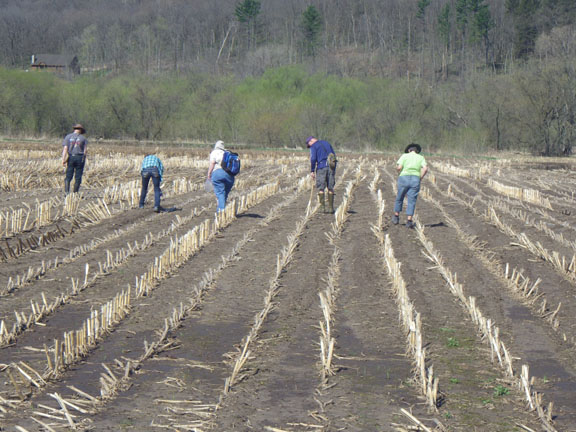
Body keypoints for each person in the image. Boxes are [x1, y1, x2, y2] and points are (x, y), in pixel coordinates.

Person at [392, 143, 428, 228]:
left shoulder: (404, 156)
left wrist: (398, 172)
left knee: (400, 197)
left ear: (409, 150)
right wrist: (420, 177)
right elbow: (425, 169)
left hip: (404, 178)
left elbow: (399, 167)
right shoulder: (421, 157)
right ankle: (409, 221)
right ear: (417, 151)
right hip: (415, 179)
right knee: (412, 200)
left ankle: (396, 217)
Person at [306, 136, 337, 213]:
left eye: (309, 145)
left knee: (321, 188)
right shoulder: (327, 143)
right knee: (330, 188)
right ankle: (331, 209)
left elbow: (313, 159)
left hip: (321, 167)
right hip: (331, 167)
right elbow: (334, 156)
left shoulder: (314, 146)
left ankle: (322, 208)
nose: (310, 146)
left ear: (310, 141)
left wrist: (312, 170)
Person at [207, 140, 235, 212]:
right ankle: (221, 209)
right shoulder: (227, 153)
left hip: (218, 174)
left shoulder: (214, 152)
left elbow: (212, 163)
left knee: (220, 193)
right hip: (230, 176)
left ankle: (221, 212)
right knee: (224, 194)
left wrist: (209, 174)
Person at [61, 124, 88, 194]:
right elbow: (85, 151)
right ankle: (75, 193)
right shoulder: (83, 138)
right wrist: (83, 159)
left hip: (71, 157)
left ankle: (67, 192)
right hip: (80, 157)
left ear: (74, 129)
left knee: (68, 175)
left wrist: (63, 160)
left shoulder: (68, 137)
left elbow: (65, 149)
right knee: (78, 176)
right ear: (81, 130)